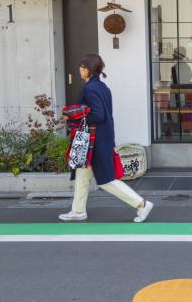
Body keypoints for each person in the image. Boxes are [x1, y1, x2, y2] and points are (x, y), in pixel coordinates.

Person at [59, 54, 153, 222]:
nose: (79, 70)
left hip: (95, 141)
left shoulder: (90, 89)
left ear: (87, 70)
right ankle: (78, 211)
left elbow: (98, 115)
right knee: (82, 174)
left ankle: (142, 204)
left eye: (81, 67)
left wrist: (75, 117)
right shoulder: (103, 87)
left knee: (105, 179)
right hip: (100, 138)